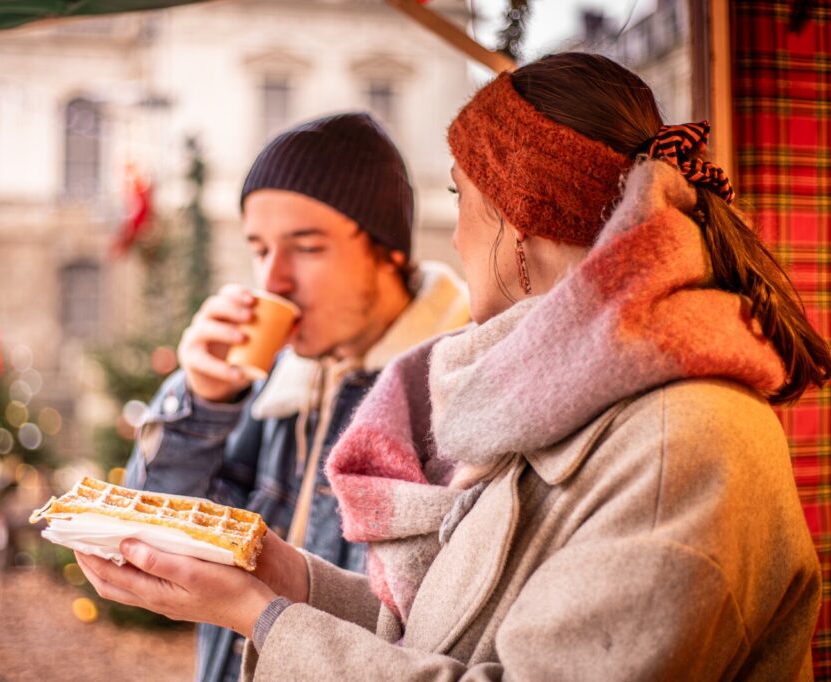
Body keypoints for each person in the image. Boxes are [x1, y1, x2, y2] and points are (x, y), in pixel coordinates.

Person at [79, 53, 831, 679]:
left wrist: (262, 619)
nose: (272, 277)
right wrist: (289, 578)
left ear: (519, 226)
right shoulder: (530, 401)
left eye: (458, 196)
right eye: (258, 247)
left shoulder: (682, 441)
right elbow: (442, 633)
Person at [121, 111, 470, 681]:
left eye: (305, 247)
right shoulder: (269, 388)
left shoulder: (449, 398)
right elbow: (151, 533)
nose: (273, 280)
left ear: (390, 250)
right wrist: (200, 402)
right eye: (259, 249)